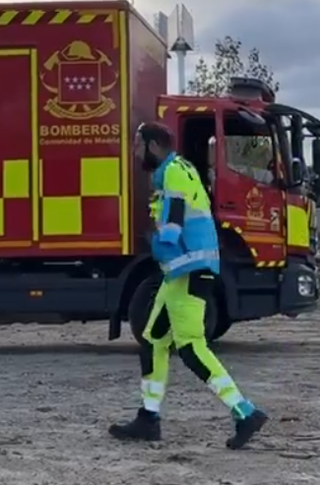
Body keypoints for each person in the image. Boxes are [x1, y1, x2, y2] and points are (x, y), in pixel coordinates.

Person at [109, 122, 267, 450]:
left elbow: (173, 226)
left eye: (138, 145)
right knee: (154, 341)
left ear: (153, 145)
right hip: (181, 271)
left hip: (188, 269)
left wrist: (155, 242)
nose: (135, 152)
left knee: (191, 346)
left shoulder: (173, 173)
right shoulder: (178, 169)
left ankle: (244, 411)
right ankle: (148, 418)